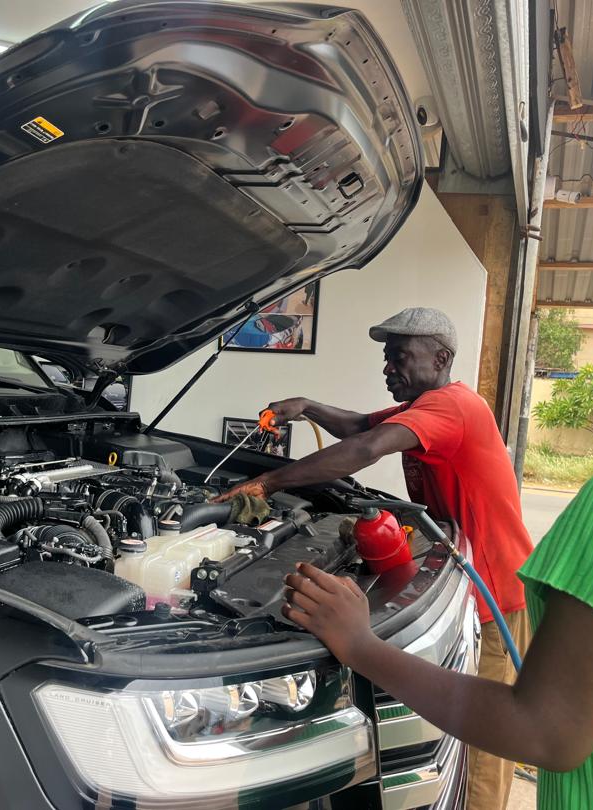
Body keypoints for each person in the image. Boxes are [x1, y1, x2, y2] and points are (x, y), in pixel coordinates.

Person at [283, 264, 593, 809]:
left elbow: (542, 731)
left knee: (485, 763)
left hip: (509, 617)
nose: (390, 367)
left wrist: (358, 643)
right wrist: (309, 406)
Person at [215, 306, 534, 810]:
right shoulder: (426, 406)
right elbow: (359, 425)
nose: (388, 368)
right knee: (460, 725)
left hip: (495, 595)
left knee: (483, 740)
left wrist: (267, 483)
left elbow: (368, 446)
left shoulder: (452, 406)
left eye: (399, 356)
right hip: (470, 581)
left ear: (441, 358)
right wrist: (307, 406)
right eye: (387, 357)